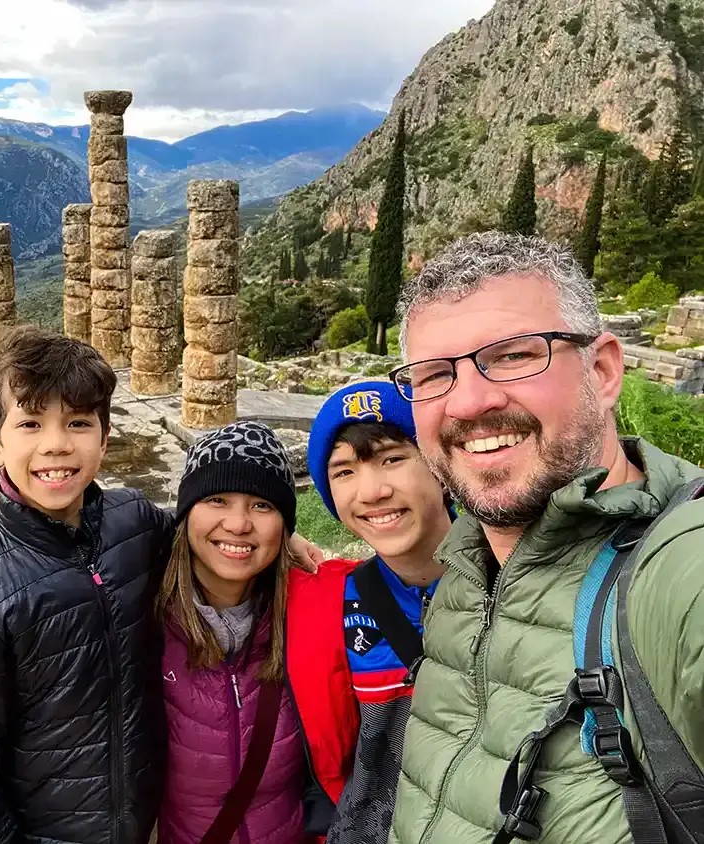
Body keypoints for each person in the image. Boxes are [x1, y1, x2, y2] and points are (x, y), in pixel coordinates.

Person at [0, 326, 322, 844]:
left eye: (78, 422)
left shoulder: (132, 522)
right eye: (31, 423)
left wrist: (280, 534)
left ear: (105, 438)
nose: (56, 445)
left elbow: (201, 527)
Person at [385, 232, 704, 844]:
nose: (470, 402)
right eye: (434, 375)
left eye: (512, 355)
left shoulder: (678, 570)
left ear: (604, 370)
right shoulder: (464, 572)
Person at [286, 379, 450, 844]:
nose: (372, 491)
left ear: (440, 466)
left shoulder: (519, 584)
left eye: (393, 459)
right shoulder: (326, 601)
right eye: (343, 472)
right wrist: (277, 533)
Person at [156, 421, 308, 844]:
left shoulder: (311, 617)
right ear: (185, 514)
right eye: (217, 499)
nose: (239, 524)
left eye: (262, 506)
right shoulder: (138, 617)